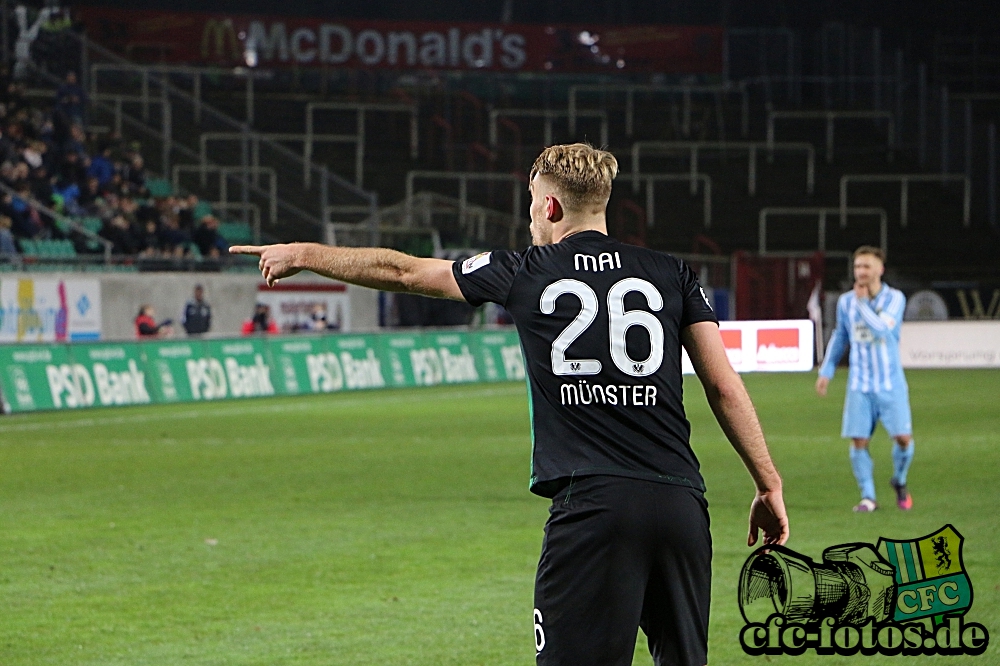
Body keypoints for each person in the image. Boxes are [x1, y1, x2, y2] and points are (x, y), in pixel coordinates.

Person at [230, 143, 788, 666]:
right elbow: (724, 388)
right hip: (681, 506)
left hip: (592, 508)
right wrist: (767, 484)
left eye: (529, 205)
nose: (528, 217)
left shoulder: (524, 270)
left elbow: (403, 271)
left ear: (549, 205)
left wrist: (303, 252)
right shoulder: (673, 274)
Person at [816, 246, 914, 513]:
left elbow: (882, 329)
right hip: (859, 385)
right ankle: (868, 497)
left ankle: (900, 480)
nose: (861, 271)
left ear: (879, 270)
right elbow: (840, 336)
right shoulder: (845, 301)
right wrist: (827, 371)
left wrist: (862, 303)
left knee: (904, 439)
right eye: (858, 266)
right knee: (859, 441)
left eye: (866, 266)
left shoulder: (895, 298)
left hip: (890, 383)